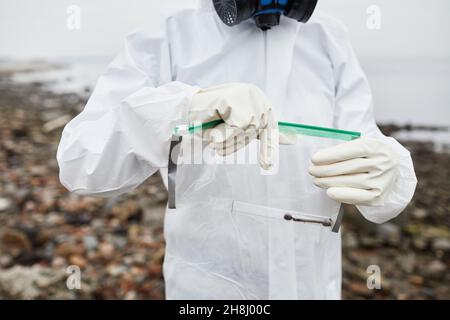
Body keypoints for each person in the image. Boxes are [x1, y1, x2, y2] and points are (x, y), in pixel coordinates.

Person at [57, 0, 417, 299]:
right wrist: (181, 108)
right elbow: (81, 162)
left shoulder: (330, 37)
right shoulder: (170, 31)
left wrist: (391, 173)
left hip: (314, 288)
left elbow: (366, 149)